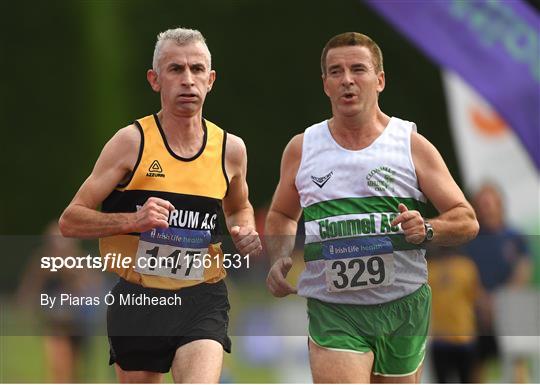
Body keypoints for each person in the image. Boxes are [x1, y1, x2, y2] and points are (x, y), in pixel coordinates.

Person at [265, 32, 479, 383]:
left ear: (379, 80)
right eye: (336, 72)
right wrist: (279, 256)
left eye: (358, 69)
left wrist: (427, 228)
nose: (347, 79)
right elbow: (283, 215)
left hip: (404, 307)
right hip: (334, 309)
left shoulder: (410, 144)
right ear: (326, 85)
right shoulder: (303, 148)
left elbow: (466, 219)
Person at [59, 27, 261, 383]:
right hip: (140, 299)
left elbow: (239, 206)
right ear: (155, 80)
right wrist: (133, 219)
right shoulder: (131, 143)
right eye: (175, 69)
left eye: (197, 69)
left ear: (211, 79)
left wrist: (244, 229)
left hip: (203, 297)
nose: (188, 80)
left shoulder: (231, 149)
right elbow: (70, 221)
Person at [466, 183, 532, 382]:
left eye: (490, 203)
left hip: (509, 308)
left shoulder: (514, 236)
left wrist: (502, 299)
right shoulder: (470, 240)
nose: (486, 208)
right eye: (482, 203)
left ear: (499, 204)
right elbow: (467, 273)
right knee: (478, 362)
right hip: (479, 310)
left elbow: (524, 269)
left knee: (516, 361)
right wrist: (481, 299)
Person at [427, 246, 484, 383]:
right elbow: (477, 299)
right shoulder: (465, 267)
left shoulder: (465, 267)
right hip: (448, 338)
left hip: (460, 337)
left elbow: (476, 298)